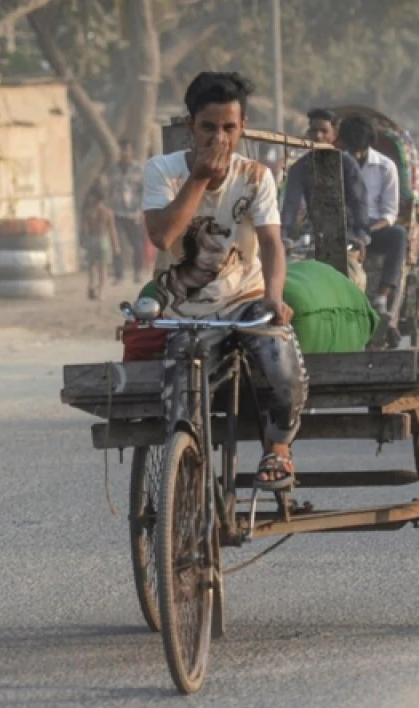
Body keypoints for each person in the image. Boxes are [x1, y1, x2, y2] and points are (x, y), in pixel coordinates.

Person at [143, 71, 308, 490]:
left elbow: (272, 244)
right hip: (187, 309)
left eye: (229, 128)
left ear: (242, 127)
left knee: (280, 360)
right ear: (190, 127)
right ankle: (191, 472)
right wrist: (198, 178)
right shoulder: (161, 171)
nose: (220, 138)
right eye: (209, 128)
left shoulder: (256, 176)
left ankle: (278, 450)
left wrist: (273, 297)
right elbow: (163, 236)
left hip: (247, 298)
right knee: (181, 399)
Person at [339, 114, 409, 318]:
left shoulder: (385, 167)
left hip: (373, 227)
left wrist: (367, 230)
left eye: (359, 150)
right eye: (352, 150)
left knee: (398, 234)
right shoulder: (337, 163)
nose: (356, 155)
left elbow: (389, 213)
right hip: (343, 226)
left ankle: (381, 296)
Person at [279, 108, 370, 247]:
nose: (318, 136)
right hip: (313, 232)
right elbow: (291, 204)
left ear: (335, 134)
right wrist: (284, 235)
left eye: (324, 131)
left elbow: (358, 202)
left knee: (351, 267)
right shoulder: (300, 167)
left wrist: (361, 234)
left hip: (347, 233)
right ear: (308, 133)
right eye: (314, 131)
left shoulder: (347, 165)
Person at [107, 138, 147, 283]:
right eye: (122, 151)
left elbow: (144, 191)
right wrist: (108, 208)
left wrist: (141, 211)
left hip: (133, 212)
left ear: (132, 152)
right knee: (116, 244)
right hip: (116, 212)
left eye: (127, 151)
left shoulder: (139, 169)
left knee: (137, 245)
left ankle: (137, 272)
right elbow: (109, 190)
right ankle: (119, 275)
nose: (124, 154)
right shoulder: (112, 169)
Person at [80, 184, 120, 300]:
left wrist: (83, 242)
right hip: (104, 240)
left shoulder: (88, 212)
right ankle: (101, 292)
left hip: (92, 239)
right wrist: (116, 246)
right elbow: (112, 230)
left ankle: (91, 285)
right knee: (103, 268)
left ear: (94, 198)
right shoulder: (108, 212)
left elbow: (85, 229)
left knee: (91, 266)